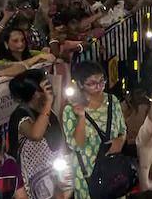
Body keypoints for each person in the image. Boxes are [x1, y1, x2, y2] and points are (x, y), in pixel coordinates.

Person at [62, 61, 127, 199]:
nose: (99, 87)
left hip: (113, 172)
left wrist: (120, 141)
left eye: (102, 81)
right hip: (88, 174)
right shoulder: (70, 110)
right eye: (91, 83)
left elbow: (122, 129)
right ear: (80, 84)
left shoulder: (112, 100)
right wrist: (81, 117)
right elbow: (76, 145)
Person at [7, 69, 68, 199]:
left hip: (51, 175)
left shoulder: (46, 110)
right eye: (45, 86)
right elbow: (36, 134)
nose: (50, 88)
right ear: (35, 93)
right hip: (29, 181)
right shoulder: (20, 115)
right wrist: (48, 102)